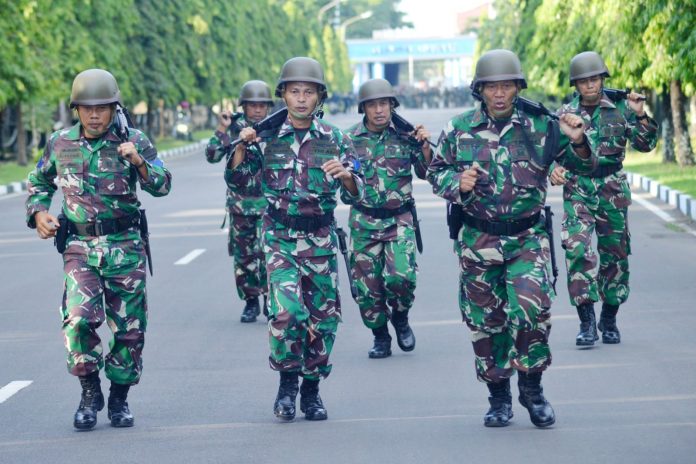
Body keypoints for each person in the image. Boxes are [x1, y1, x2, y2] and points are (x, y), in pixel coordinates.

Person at [427, 49, 595, 428]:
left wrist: (578, 140)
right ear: (480, 90)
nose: (499, 94)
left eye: (506, 86)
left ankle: (532, 390)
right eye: (491, 87)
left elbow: (586, 165)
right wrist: (457, 184)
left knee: (533, 312)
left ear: (518, 88)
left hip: (527, 238)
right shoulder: (458, 129)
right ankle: (498, 397)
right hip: (478, 239)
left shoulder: (543, 126)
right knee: (487, 322)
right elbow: (435, 172)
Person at [25, 69, 172, 430]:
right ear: (76, 109)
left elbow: (163, 184)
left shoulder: (133, 139)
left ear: (114, 108)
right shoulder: (60, 143)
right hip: (79, 248)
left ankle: (120, 397)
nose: (94, 115)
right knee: (78, 320)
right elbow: (38, 181)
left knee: (129, 330)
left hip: (125, 248)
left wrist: (138, 160)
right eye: (87, 108)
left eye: (102, 108)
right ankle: (90, 392)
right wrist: (39, 213)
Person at [225, 57, 364, 421]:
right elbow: (240, 181)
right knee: (287, 312)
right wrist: (242, 147)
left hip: (319, 238)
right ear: (283, 95)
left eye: (309, 92)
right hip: (280, 238)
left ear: (320, 97)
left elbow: (357, 193)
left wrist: (347, 178)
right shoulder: (266, 137)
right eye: (294, 91)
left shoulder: (336, 139)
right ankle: (287, 383)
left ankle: (312, 391)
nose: (301, 99)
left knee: (323, 319)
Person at [551, 51, 658, 346]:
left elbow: (645, 144)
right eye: (584, 81)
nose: (590, 85)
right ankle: (586, 322)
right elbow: (552, 152)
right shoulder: (564, 114)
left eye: (595, 79)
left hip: (612, 188)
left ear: (602, 79)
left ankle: (609, 317)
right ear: (575, 84)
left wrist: (639, 114)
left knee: (616, 256)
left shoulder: (621, 108)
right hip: (578, 188)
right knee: (578, 251)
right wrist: (554, 170)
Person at [345, 78, 432, 359]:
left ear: (392, 106)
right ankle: (380, 335)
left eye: (384, 104)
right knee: (368, 291)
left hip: (399, 221)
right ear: (363, 108)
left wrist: (425, 146)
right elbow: (342, 189)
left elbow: (427, 171)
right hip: (363, 222)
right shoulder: (348, 140)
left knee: (402, 279)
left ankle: (401, 317)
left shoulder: (406, 136)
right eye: (373, 105)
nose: (379, 110)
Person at [206, 80, 272, 323]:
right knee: (244, 257)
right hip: (241, 206)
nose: (256, 110)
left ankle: (270, 300)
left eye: (261, 105)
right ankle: (250, 302)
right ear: (243, 106)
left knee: (270, 255)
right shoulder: (234, 128)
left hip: (270, 206)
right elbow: (212, 156)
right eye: (251, 105)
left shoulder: (276, 128)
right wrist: (222, 129)